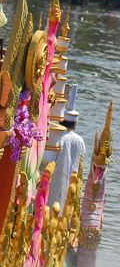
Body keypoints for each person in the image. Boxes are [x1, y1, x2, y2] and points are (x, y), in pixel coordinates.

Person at [47, 85, 85, 214]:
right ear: (75, 124)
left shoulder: (57, 136)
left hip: (53, 182)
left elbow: (48, 161)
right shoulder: (80, 141)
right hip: (71, 184)